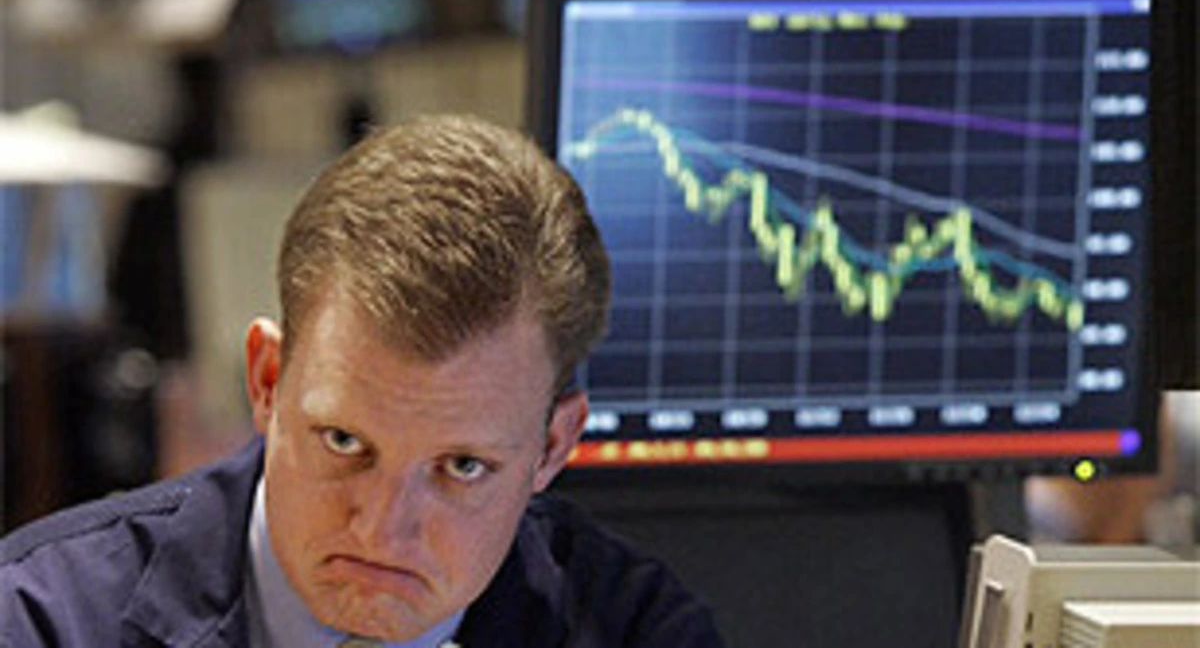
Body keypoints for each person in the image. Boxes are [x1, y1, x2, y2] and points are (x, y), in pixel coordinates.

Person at [1, 115, 725, 647]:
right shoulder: (42, 621)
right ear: (267, 380)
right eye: (344, 441)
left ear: (553, 445)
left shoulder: (639, 632)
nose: (382, 529)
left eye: (461, 467)